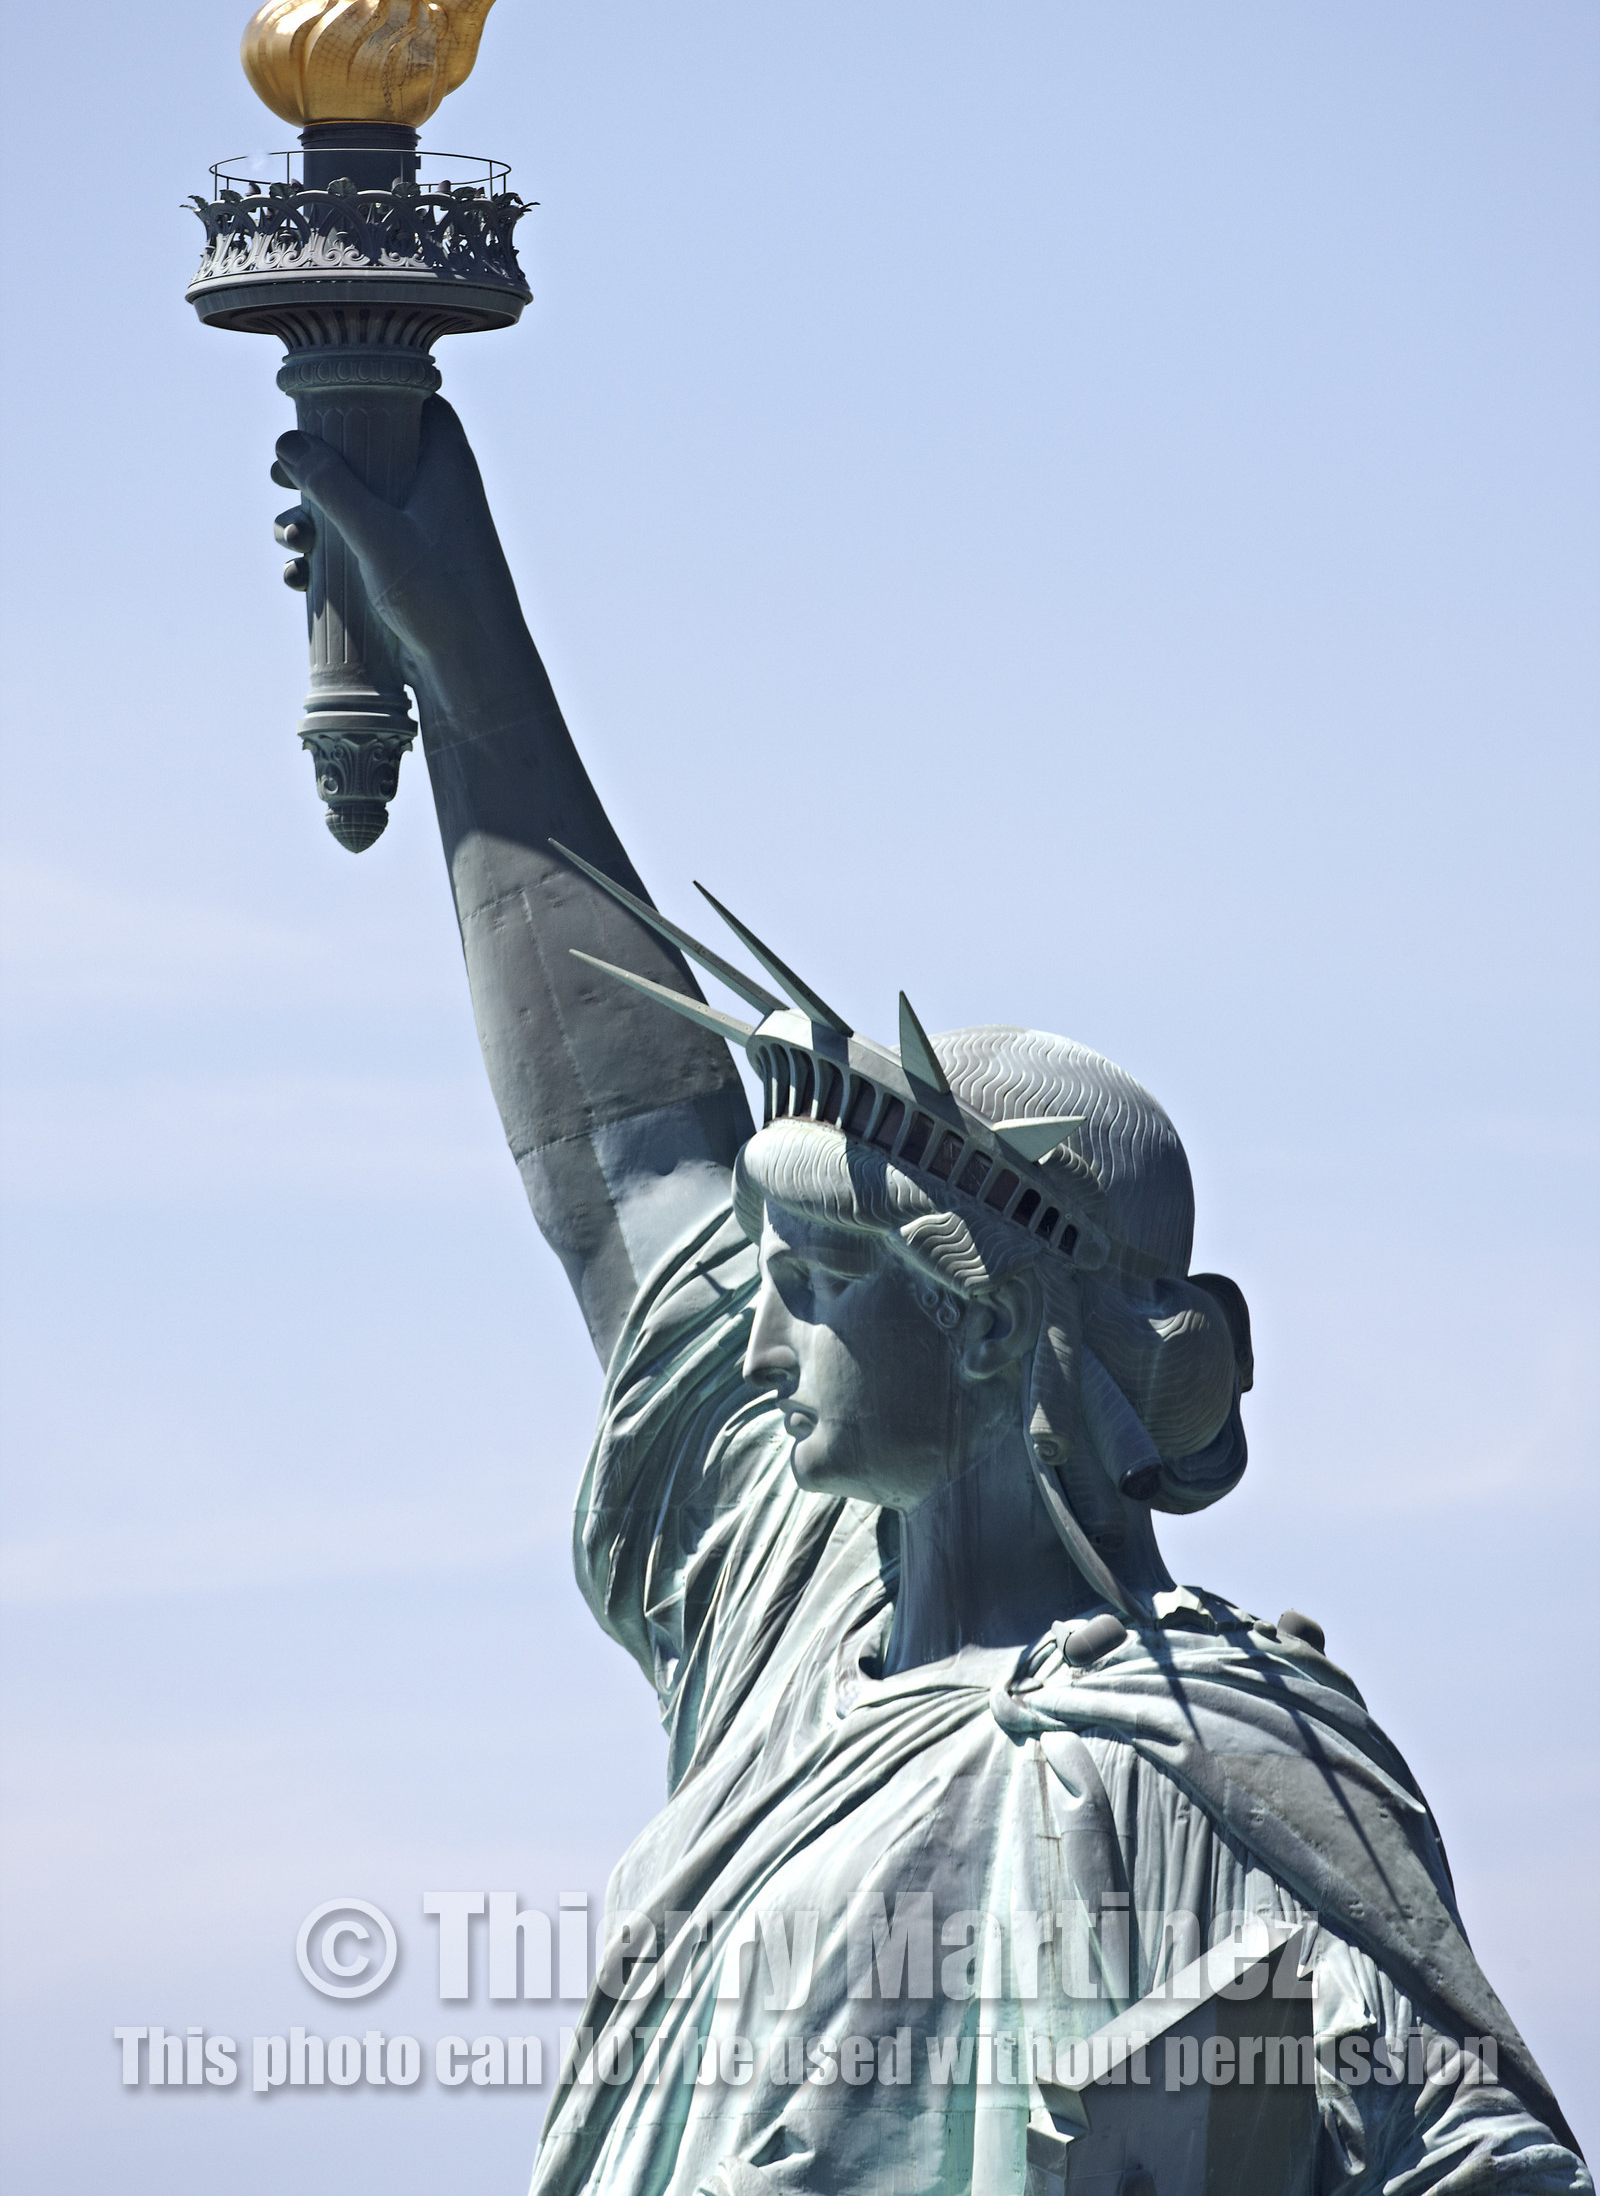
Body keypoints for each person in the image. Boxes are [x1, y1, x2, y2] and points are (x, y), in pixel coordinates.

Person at [274, 397, 1588, 2196]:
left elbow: (1478, 2169)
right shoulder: (794, 1629)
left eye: (813, 1285)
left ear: (986, 1325)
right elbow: (632, 1152)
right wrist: (451, 623)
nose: (753, 1333)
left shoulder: (1224, 1779)